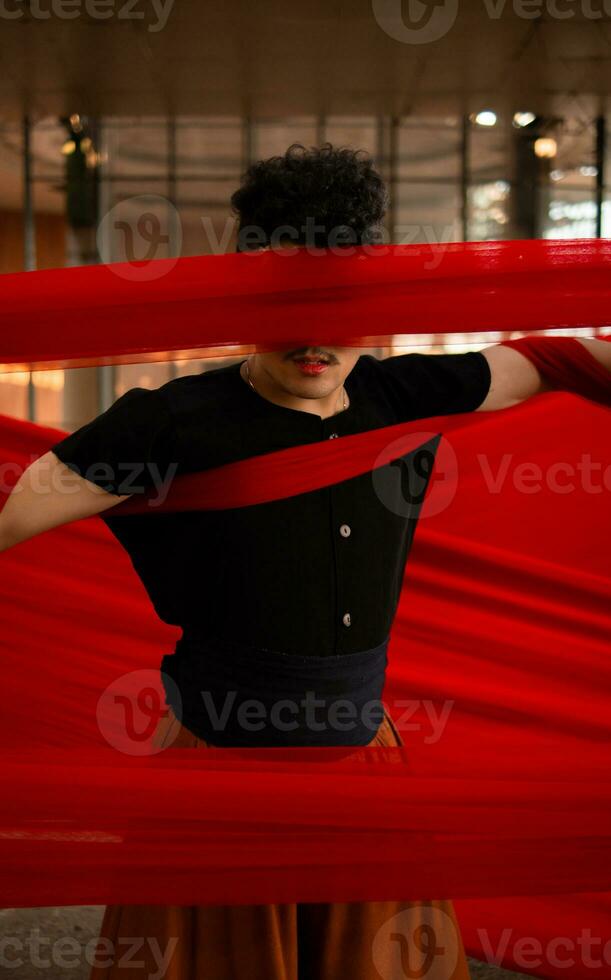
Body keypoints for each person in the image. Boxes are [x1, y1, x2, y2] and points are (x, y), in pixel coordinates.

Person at [1, 143, 610, 980]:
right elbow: (25, 497)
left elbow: (551, 359)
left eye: (339, 306)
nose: (316, 337)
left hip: (366, 773)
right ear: (243, 298)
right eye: (291, 305)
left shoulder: (398, 395)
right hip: (221, 780)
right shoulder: (169, 424)